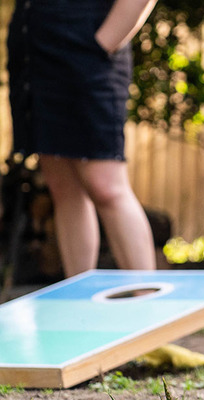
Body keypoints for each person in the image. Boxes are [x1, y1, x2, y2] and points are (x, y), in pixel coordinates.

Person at [6, 0, 158, 277]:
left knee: (107, 187)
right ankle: (78, 300)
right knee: (62, 186)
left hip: (88, 48)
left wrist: (103, 43)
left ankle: (149, 304)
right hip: (36, 50)